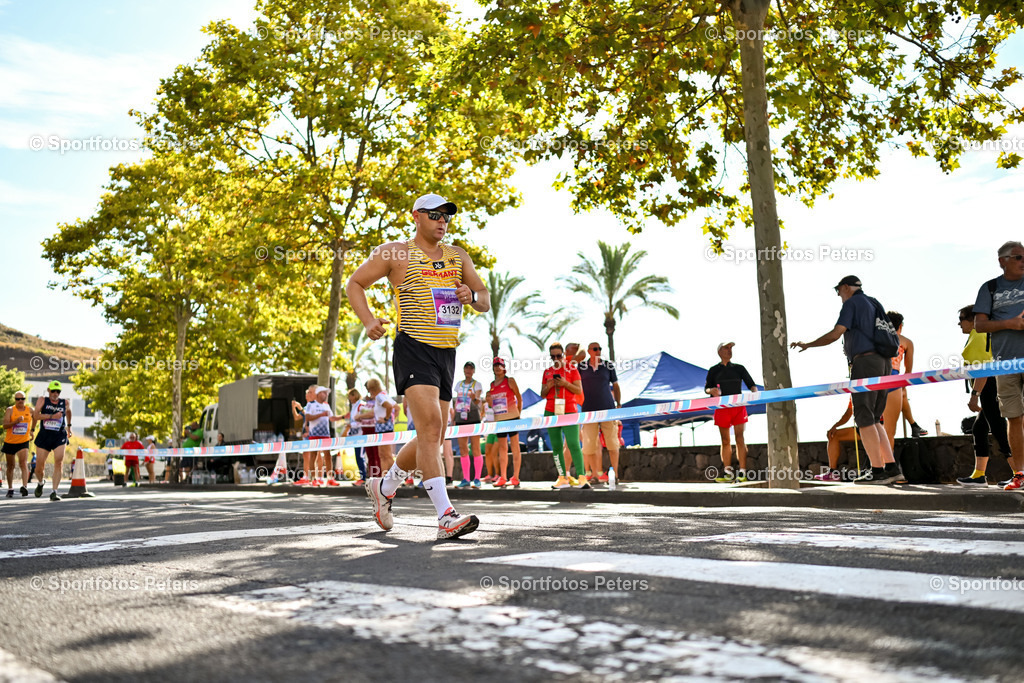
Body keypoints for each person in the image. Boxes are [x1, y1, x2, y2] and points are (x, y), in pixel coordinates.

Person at [346, 191, 489, 539]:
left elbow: (483, 299)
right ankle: (445, 517)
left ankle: (384, 487)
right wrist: (367, 321)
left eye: (447, 216)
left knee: (433, 435)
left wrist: (471, 297)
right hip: (413, 346)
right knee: (431, 426)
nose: (442, 221)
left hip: (446, 353)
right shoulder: (395, 252)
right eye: (435, 215)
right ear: (416, 216)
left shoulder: (458, 256)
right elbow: (355, 283)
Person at [791, 275, 903, 484]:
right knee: (875, 417)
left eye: (838, 292)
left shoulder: (852, 303)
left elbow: (836, 334)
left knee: (863, 417)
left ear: (845, 288)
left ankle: (877, 471)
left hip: (866, 363)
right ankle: (891, 468)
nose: (839, 296)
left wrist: (808, 344)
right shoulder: (873, 301)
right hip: (885, 363)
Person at [973, 240, 1024, 491]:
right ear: (1002, 261)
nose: (1023, 260)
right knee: (1013, 418)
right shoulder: (990, 288)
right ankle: (1021, 473)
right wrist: (1011, 323)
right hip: (1005, 364)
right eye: (1018, 257)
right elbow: (979, 325)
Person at [957, 304, 1012, 486]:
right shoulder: (980, 335)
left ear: (972, 320)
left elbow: (983, 369)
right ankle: (979, 475)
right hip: (991, 386)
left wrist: (974, 395)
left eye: (961, 319)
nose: (959, 324)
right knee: (979, 429)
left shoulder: (979, 335)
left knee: (998, 429)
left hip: (990, 387)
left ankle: (1019, 472)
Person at [705, 342, 759, 483]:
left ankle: (742, 473)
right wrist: (711, 391)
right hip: (722, 407)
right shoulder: (713, 370)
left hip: (738, 406)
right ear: (719, 351)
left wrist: (755, 393)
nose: (729, 350)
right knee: (725, 440)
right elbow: (706, 388)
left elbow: (751, 384)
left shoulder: (739, 368)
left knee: (740, 438)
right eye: (726, 348)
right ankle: (728, 473)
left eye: (731, 348)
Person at [542, 343, 587, 489]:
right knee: (556, 446)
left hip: (569, 410)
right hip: (550, 410)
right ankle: (562, 477)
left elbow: (578, 390)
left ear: (563, 355)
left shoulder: (572, 369)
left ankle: (582, 477)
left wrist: (565, 383)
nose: (556, 359)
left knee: (574, 443)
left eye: (558, 356)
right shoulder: (547, 372)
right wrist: (548, 386)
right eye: (553, 356)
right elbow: (542, 394)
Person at [881, 311, 927, 447]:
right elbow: (908, 372)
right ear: (900, 325)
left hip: (874, 378)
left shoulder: (876, 338)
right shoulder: (906, 342)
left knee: (873, 428)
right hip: (893, 379)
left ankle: (877, 465)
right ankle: (887, 465)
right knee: (889, 431)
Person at [578, 342, 621, 484]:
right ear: (589, 351)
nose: (598, 351)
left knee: (613, 443)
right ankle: (596, 475)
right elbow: (575, 383)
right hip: (588, 410)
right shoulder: (582, 367)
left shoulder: (608, 365)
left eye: (600, 349)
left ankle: (615, 474)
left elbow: (615, 385)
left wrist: (618, 403)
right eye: (595, 349)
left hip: (608, 409)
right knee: (589, 445)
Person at [487, 357, 524, 487]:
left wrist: (519, 413)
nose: (497, 367)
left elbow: (519, 397)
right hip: (500, 420)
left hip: (512, 417)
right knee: (502, 448)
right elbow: (494, 405)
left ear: (504, 367)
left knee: (515, 447)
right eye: (495, 365)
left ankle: (516, 477)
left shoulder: (510, 380)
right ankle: (503, 477)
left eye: (499, 365)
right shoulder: (492, 385)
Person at [32, 381, 72, 500]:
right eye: (53, 391)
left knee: (59, 462)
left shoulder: (65, 402)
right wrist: (51, 417)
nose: (55, 393)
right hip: (44, 435)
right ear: (49, 390)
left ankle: (54, 492)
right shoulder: (42, 400)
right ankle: (40, 483)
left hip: (59, 435)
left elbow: (68, 411)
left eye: (58, 391)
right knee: (39, 467)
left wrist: (69, 426)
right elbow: (36, 415)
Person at [453, 362, 483, 488]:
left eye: (471, 368)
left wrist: (473, 397)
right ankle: (466, 478)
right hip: (461, 418)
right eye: (466, 368)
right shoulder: (459, 384)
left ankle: (477, 479)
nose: (468, 370)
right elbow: (456, 401)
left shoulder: (477, 384)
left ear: (474, 371)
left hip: (473, 417)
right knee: (463, 449)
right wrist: (454, 417)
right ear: (464, 370)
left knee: (476, 448)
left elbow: (477, 401)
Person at [816, 398, 860, 482]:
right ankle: (833, 473)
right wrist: (835, 426)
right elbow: (848, 413)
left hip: (877, 426)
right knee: (833, 435)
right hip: (863, 427)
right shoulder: (853, 393)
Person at [3, 390, 32, 498]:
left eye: (22, 399)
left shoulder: (30, 410)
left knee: (23, 463)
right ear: (15, 400)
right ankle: (10, 488)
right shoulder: (10, 410)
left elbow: (36, 417)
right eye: (18, 399)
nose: (20, 401)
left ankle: (24, 487)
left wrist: (32, 430)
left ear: (25, 399)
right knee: (11, 466)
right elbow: (5, 425)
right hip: (10, 442)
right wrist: (15, 422)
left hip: (23, 441)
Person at [292, 385, 318, 485]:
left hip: (314, 434)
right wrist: (294, 408)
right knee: (306, 455)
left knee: (314, 456)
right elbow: (297, 418)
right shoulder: (307, 406)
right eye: (307, 394)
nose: (307, 395)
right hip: (306, 435)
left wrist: (300, 408)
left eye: (309, 393)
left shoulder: (316, 405)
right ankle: (306, 476)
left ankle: (314, 478)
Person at [344, 388, 368, 485]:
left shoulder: (361, 405)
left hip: (361, 435)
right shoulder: (354, 406)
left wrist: (351, 425)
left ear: (354, 395)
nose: (349, 398)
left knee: (360, 456)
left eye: (350, 396)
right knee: (358, 456)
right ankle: (362, 477)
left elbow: (363, 420)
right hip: (355, 435)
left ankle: (363, 478)